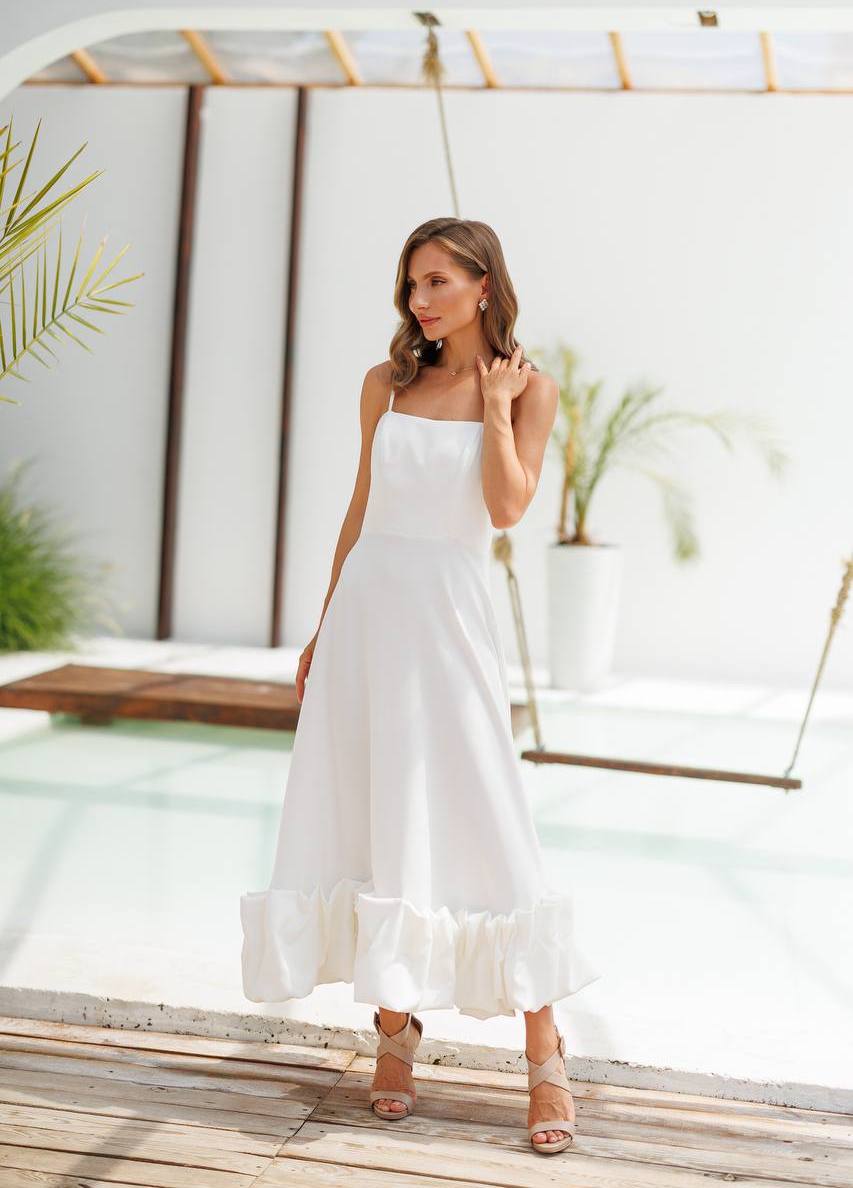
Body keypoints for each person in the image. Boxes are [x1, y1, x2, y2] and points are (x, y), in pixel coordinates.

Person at [240, 217, 601, 1155]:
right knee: (375, 816)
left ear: (484, 286)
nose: (419, 301)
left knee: (489, 820)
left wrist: (494, 405)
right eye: (411, 285)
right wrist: (323, 623)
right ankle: (393, 1036)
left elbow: (507, 507)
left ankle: (544, 1047)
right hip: (368, 615)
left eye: (437, 282)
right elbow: (360, 507)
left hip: (449, 619)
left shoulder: (530, 389)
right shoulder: (385, 384)